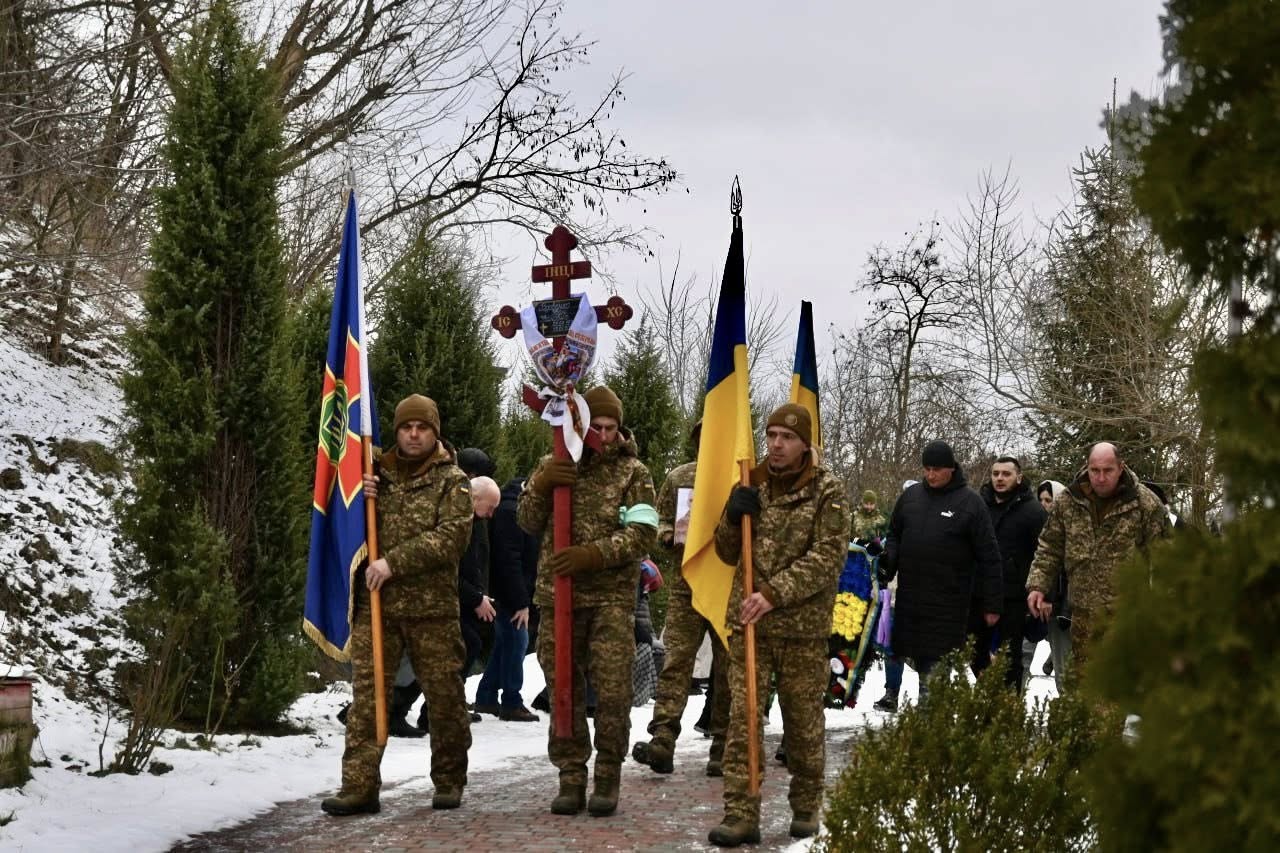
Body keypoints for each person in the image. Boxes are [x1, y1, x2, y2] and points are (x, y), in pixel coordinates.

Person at [321, 394, 474, 816]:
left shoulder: (453, 481)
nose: (412, 434)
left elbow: (451, 539)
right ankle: (359, 785)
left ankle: (448, 779)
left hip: (432, 612)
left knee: (444, 699)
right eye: (406, 427)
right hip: (379, 608)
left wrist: (393, 563)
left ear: (434, 432)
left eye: (421, 428)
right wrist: (358, 494)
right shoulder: (375, 477)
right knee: (367, 699)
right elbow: (346, 518)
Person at [708, 403, 849, 847]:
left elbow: (829, 558)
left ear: (805, 443)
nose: (776, 445)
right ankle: (741, 811)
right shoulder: (751, 483)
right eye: (770, 435)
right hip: (751, 626)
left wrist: (774, 593)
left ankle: (806, 806)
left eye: (786, 437)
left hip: (801, 628)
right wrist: (733, 514)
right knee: (743, 721)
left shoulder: (828, 491)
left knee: (803, 724)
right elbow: (728, 552)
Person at [517, 385, 657, 818]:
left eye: (610, 428)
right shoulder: (555, 461)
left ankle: (608, 776)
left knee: (614, 690)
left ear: (620, 429)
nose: (602, 435)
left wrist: (594, 554)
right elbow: (526, 520)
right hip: (558, 596)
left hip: (610, 598)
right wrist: (542, 483)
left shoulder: (634, 473)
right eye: (594, 426)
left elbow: (643, 533)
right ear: (579, 424)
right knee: (563, 688)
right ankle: (571, 777)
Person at [634, 421, 731, 778]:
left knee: (727, 668)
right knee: (676, 662)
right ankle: (662, 739)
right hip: (687, 585)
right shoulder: (679, 478)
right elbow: (657, 520)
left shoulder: (743, 481)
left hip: (728, 588)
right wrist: (668, 537)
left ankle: (722, 744)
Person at [1026, 443, 1171, 679]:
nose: (1101, 478)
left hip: (1124, 613)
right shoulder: (1069, 501)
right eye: (1095, 470)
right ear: (1087, 467)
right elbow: (1050, 546)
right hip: (1081, 611)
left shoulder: (1144, 504)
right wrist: (1038, 585)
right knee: (1081, 686)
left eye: (1108, 470)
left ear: (1121, 468)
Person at [880, 441, 1002, 696]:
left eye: (936, 469)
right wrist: (886, 564)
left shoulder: (971, 503)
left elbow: (989, 556)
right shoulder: (910, 498)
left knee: (934, 679)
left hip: (949, 608)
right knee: (915, 664)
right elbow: (894, 535)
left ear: (951, 469)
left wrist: (992, 604)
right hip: (910, 604)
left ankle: (928, 729)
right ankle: (915, 719)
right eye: (927, 469)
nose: (930, 475)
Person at [971, 456, 1046, 690]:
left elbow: (1045, 553)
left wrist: (1044, 591)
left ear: (1018, 477)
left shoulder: (1033, 511)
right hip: (979, 592)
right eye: (996, 474)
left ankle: (1008, 709)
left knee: (1010, 658)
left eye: (1006, 474)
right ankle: (987, 697)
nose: (1000, 479)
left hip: (1013, 596)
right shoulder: (978, 505)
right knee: (973, 651)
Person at [473, 476, 541, 721]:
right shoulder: (513, 512)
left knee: (507, 642)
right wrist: (521, 602)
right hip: (508, 593)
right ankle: (511, 700)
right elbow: (509, 560)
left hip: (508, 591)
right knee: (517, 641)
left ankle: (487, 695)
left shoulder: (515, 508)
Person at [872, 480, 916, 713]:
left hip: (928, 599)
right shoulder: (895, 531)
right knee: (893, 648)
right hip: (897, 597)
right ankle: (891, 693)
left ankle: (930, 698)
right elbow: (886, 560)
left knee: (925, 652)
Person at [1024, 479, 1068, 690]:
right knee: (1023, 654)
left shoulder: (1067, 527)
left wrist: (1052, 596)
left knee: (1064, 665)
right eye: (1040, 499)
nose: (1044, 504)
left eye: (1049, 500)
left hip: (1059, 608)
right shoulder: (1032, 523)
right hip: (1033, 602)